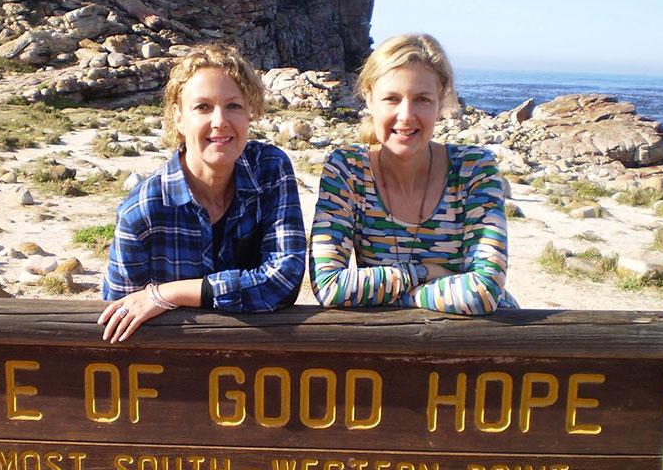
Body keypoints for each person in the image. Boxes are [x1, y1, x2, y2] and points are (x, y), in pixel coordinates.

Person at [100, 45, 307, 342]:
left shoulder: (270, 171)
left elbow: (284, 280)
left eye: (233, 105)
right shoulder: (142, 213)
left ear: (250, 111)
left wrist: (170, 293)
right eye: (203, 107)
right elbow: (119, 316)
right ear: (180, 118)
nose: (220, 121)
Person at [308, 33, 516, 314]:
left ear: (441, 102)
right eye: (391, 99)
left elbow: (484, 292)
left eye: (422, 99)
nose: (406, 115)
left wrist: (391, 297)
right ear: (369, 99)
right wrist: (422, 272)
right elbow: (330, 285)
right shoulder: (348, 170)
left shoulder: (473, 170)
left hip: (482, 343)